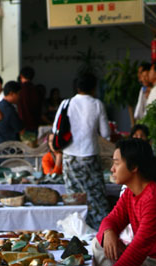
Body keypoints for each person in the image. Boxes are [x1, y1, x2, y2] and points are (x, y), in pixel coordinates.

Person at [94, 139, 156, 266]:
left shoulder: (154, 196)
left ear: (133, 167)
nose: (112, 169)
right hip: (142, 259)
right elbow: (110, 219)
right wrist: (109, 232)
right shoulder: (129, 193)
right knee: (98, 244)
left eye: (117, 163)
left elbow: (139, 248)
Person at [53, 72, 110, 229]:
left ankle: (75, 230)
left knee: (74, 197)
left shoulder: (66, 103)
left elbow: (55, 129)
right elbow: (105, 133)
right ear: (93, 88)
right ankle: (100, 233)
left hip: (70, 157)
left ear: (76, 87)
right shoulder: (97, 104)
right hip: (90, 155)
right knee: (96, 198)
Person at [17, 65, 41, 136]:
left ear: (21, 76)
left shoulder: (19, 90)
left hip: (22, 126)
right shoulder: (36, 90)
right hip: (35, 124)